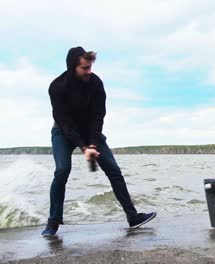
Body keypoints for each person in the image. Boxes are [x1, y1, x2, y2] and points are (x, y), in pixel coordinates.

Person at [42, 47, 156, 236]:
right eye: (85, 68)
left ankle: (133, 217)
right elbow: (65, 122)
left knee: (114, 170)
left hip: (90, 131)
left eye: (90, 67)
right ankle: (53, 223)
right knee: (62, 170)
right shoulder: (57, 87)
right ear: (73, 67)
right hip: (63, 132)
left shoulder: (95, 83)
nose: (89, 71)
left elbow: (98, 116)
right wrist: (83, 147)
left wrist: (93, 145)